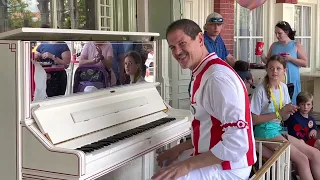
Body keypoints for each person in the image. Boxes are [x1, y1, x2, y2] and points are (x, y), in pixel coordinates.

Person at [152, 19, 256, 180]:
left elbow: (237, 143)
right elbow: (209, 128)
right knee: (165, 167)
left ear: (200, 39)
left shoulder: (217, 78)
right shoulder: (204, 71)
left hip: (230, 167)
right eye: (173, 47)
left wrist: (187, 165)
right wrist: (180, 148)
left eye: (182, 43)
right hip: (219, 156)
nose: (177, 52)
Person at [251, 55, 320, 179]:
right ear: (266, 69)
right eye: (271, 68)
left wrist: (290, 111)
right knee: (302, 159)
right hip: (264, 130)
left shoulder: (283, 87)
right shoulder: (260, 90)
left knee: (315, 153)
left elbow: (285, 117)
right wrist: (279, 113)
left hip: (278, 129)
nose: (275, 71)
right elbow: (253, 119)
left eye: (278, 68)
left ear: (285, 71)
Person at [260, 21, 307, 105]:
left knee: (291, 104)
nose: (277, 36)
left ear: (287, 32)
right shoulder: (274, 45)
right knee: (277, 102)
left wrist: (291, 58)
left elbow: (304, 63)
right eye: (275, 33)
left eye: (279, 33)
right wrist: (261, 54)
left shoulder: (296, 45)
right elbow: (267, 61)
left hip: (291, 79)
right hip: (276, 79)